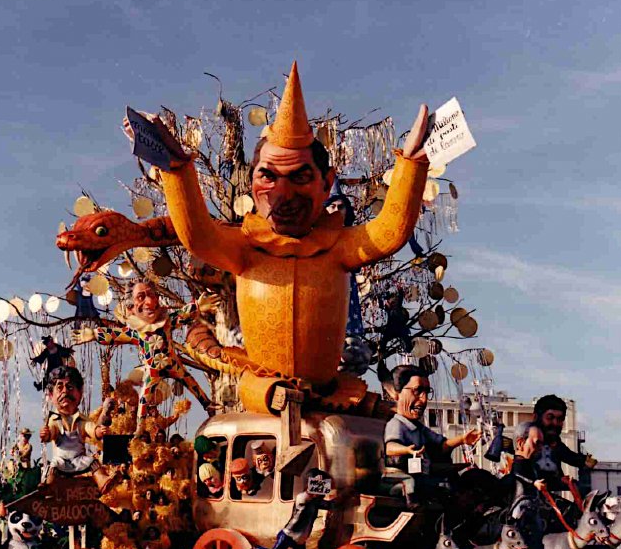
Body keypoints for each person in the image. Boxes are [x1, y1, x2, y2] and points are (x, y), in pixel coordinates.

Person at [136, 62, 431, 414]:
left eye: (300, 177)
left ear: (326, 183)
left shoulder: (338, 247)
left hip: (327, 391)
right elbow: (197, 236)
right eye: (269, 176)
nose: (283, 193)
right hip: (262, 390)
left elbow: (390, 231)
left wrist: (411, 165)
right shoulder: (244, 248)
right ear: (251, 182)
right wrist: (175, 167)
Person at [73, 280, 217, 434]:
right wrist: (94, 334)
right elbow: (115, 334)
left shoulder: (166, 322)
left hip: (172, 364)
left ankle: (208, 405)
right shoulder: (135, 332)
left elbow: (182, 314)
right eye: (141, 297)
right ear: (131, 308)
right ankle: (140, 431)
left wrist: (198, 306)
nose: (149, 301)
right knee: (144, 399)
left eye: (151, 295)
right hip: (153, 370)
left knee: (189, 381)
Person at [384, 365, 480, 507]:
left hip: (423, 473)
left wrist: (462, 440)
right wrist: (407, 450)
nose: (423, 400)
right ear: (395, 393)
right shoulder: (396, 424)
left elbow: (441, 445)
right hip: (401, 474)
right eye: (417, 391)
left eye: (426, 392)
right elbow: (390, 447)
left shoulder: (420, 428)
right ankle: (414, 510)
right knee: (413, 484)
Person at [39, 366, 115, 491]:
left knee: (92, 462)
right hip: (61, 460)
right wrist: (46, 434)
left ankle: (102, 481)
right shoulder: (54, 419)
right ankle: (48, 486)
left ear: (79, 393)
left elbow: (91, 428)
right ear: (51, 395)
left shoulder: (82, 420)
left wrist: (99, 432)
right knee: (52, 466)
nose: (65, 392)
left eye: (70, 387)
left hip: (79, 459)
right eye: (59, 387)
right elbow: (52, 431)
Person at [247, 469, 336, 549]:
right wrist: (314, 487)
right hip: (288, 535)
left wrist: (342, 497)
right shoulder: (302, 498)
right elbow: (306, 498)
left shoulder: (315, 502)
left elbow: (329, 505)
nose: (321, 490)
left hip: (300, 539)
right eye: (318, 485)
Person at [511, 394, 596, 492]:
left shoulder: (556, 444)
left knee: (579, 487)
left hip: (553, 483)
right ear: (536, 417)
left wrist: (583, 460)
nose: (555, 423)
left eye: (560, 419)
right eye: (550, 418)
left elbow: (567, 455)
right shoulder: (528, 441)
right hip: (532, 488)